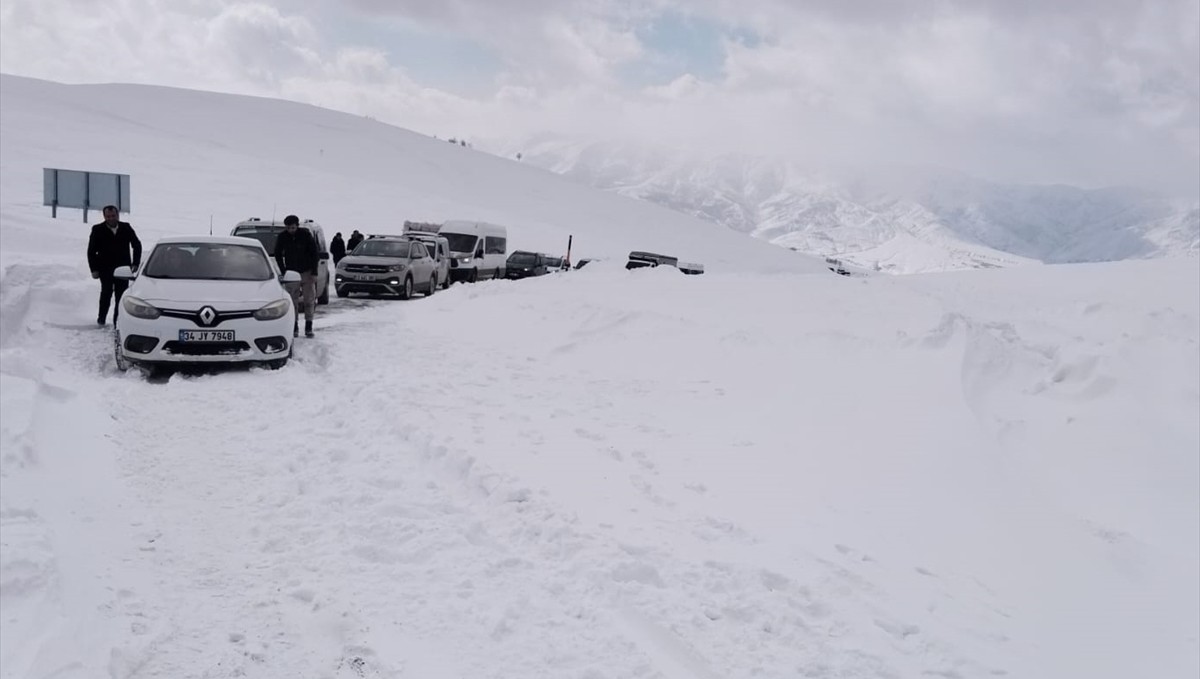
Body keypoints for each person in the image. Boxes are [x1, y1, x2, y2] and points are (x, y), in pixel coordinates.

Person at [87, 205, 142, 326]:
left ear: (117, 215)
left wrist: (135, 264)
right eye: (108, 216)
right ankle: (101, 320)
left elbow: (137, 245)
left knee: (121, 296)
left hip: (123, 270)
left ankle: (117, 321)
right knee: (106, 293)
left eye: (113, 216)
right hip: (105, 269)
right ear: (104, 216)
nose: (111, 218)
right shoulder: (97, 229)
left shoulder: (126, 227)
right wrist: (94, 269)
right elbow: (91, 251)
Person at [273, 214, 319, 337]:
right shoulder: (282, 237)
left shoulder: (305, 235)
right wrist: (284, 271)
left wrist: (314, 272)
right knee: (292, 302)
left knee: (309, 300)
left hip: (307, 272)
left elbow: (315, 254)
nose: (291, 230)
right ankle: (294, 327)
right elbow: (278, 254)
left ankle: (309, 326)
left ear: (297, 226)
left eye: (293, 227)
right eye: (288, 228)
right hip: (291, 273)